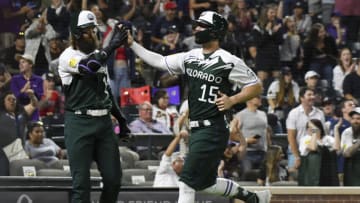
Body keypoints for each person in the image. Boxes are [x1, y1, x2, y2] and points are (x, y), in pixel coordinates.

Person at [126, 10, 271, 203]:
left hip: (213, 128)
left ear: (214, 31)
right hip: (196, 129)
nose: (197, 29)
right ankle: (253, 198)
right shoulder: (191, 56)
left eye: (202, 26)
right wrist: (132, 44)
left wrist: (233, 100)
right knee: (205, 183)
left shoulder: (229, 60)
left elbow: (256, 86)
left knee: (186, 182)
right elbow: (160, 61)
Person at [58, 10, 130, 203]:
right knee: (82, 185)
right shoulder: (68, 56)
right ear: (77, 34)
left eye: (94, 30)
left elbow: (106, 90)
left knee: (114, 180)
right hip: (79, 123)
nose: (93, 34)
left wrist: (122, 120)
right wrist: (113, 44)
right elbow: (88, 66)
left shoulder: (99, 56)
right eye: (88, 31)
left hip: (104, 123)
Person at [286, 87, 326, 180]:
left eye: (313, 95)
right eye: (309, 95)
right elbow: (291, 137)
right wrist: (297, 157)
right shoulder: (293, 113)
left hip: (314, 151)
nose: (312, 97)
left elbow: (322, 134)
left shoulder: (320, 113)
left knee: (314, 177)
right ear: (301, 98)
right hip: (296, 151)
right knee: (294, 176)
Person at [0, 90, 38, 175]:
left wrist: (31, 95)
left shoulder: (21, 113)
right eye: (9, 99)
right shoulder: (1, 114)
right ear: (3, 101)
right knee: (4, 177)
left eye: (14, 99)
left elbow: (34, 105)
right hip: (3, 153)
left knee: (22, 176)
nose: (12, 101)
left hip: (19, 152)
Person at [235, 95, 271, 180]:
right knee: (247, 175)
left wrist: (269, 146)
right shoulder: (241, 115)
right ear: (249, 100)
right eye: (257, 97)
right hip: (247, 152)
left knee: (264, 178)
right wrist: (247, 140)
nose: (260, 99)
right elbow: (233, 134)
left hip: (263, 152)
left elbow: (265, 131)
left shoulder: (263, 114)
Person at [298, 119, 340, 186]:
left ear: (320, 128)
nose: (310, 129)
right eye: (308, 128)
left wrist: (336, 129)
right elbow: (313, 147)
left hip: (327, 172)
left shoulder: (327, 139)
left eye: (312, 128)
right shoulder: (305, 139)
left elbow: (337, 147)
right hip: (311, 173)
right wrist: (315, 131)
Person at [10, 54, 43, 121]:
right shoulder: (15, 79)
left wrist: (32, 93)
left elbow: (40, 97)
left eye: (23, 62)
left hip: (34, 113)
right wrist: (24, 89)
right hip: (19, 112)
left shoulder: (39, 80)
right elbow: (14, 97)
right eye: (19, 63)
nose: (20, 65)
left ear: (30, 65)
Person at [341, 107, 360, 186]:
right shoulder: (347, 132)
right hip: (351, 168)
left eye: (358, 119)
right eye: (353, 119)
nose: (355, 121)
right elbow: (347, 153)